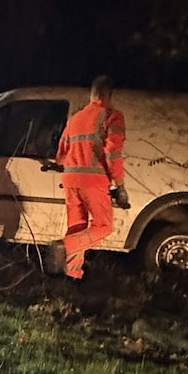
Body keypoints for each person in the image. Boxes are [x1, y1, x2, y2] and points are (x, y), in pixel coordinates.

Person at [48, 75, 128, 279]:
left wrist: (67, 164)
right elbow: (113, 153)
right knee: (104, 226)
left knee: (77, 227)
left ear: (92, 94)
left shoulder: (75, 118)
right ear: (109, 94)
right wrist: (120, 185)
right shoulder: (112, 116)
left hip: (70, 181)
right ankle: (64, 246)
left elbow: (62, 153)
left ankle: (72, 274)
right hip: (94, 181)